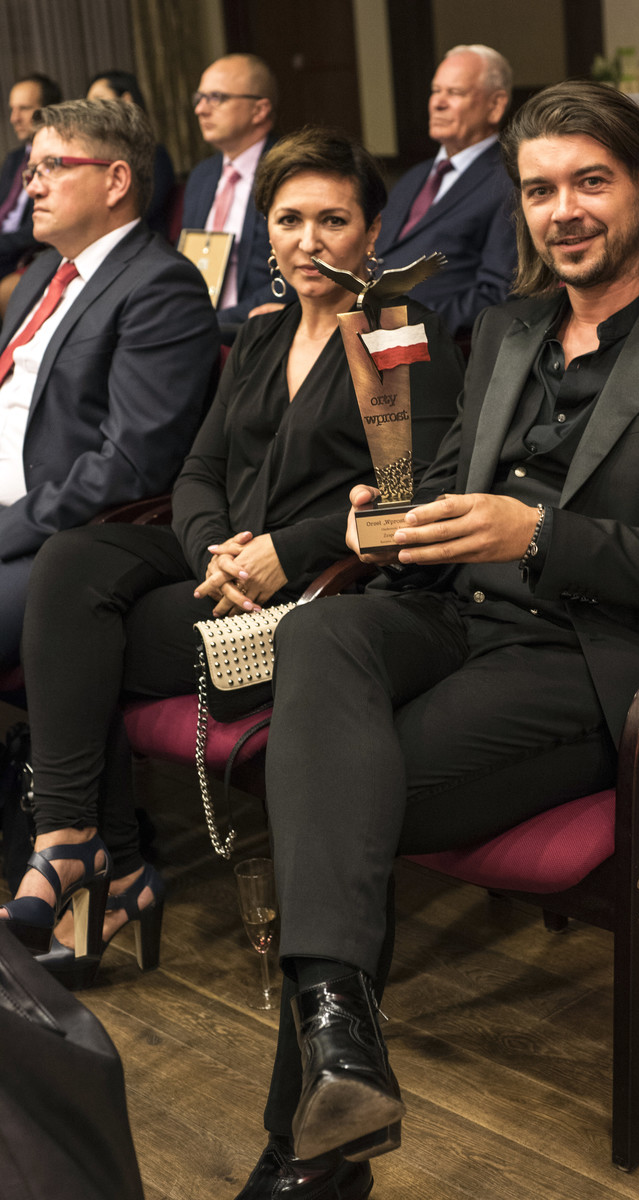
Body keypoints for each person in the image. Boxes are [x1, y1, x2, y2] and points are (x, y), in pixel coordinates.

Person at [231, 81, 639, 1200]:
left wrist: (541, 535)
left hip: (590, 655)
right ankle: (337, 1055)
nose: (561, 210)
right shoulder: (507, 328)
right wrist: (388, 519)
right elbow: (442, 485)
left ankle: (309, 1145)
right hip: (451, 614)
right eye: (538, 190)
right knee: (325, 635)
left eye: (589, 182)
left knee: (335, 798)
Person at [1, 128, 464, 992]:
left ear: (371, 232)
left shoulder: (392, 334)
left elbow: (405, 508)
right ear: (266, 231)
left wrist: (286, 550)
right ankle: (73, 839)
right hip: (224, 567)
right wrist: (214, 550)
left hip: (321, 596)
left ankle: (104, 861)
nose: (308, 241)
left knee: (78, 642)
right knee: (70, 560)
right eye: (288, 220)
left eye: (333, 220)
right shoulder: (261, 333)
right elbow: (199, 470)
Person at [0, 98, 219, 670]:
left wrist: (7, 527)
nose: (32, 186)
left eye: (52, 166)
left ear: (116, 180)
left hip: (52, 538)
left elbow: (128, 465)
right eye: (30, 170)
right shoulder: (42, 272)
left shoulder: (160, 286)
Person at [375, 44, 517, 338]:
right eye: (435, 91)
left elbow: (497, 295)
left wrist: (403, 325)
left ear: (495, 105)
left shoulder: (510, 181)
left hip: (428, 344)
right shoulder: (412, 177)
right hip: (361, 332)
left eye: (455, 93)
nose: (437, 103)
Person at [182, 53, 285, 326]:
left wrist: (218, 322)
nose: (200, 109)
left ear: (259, 110)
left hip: (258, 326)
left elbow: (300, 274)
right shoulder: (202, 176)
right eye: (199, 98)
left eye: (216, 97)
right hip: (196, 322)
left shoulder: (289, 173)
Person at [86, 69, 176, 237]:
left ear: (126, 100)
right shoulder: (91, 154)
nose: (91, 110)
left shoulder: (156, 155)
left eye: (98, 100)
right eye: (88, 103)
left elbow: (142, 209)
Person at [0, 73, 62, 279]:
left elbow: (40, 229)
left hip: (27, 258)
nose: (14, 118)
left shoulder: (59, 159)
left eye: (24, 108)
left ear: (48, 110)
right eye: (12, 109)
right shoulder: (14, 159)